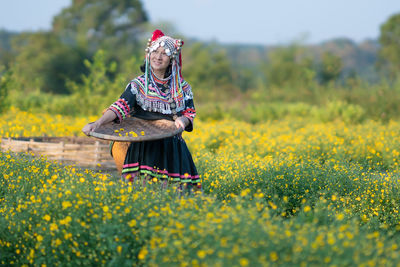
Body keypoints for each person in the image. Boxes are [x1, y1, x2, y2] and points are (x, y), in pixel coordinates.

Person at [82, 29, 201, 192]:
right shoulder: (137, 85)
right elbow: (120, 107)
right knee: (142, 193)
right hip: (143, 148)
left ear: (171, 59)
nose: (158, 57)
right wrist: (97, 123)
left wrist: (183, 120)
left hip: (173, 149)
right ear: (148, 54)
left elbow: (189, 112)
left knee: (178, 196)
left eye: (164, 54)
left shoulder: (182, 87)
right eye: (155, 52)